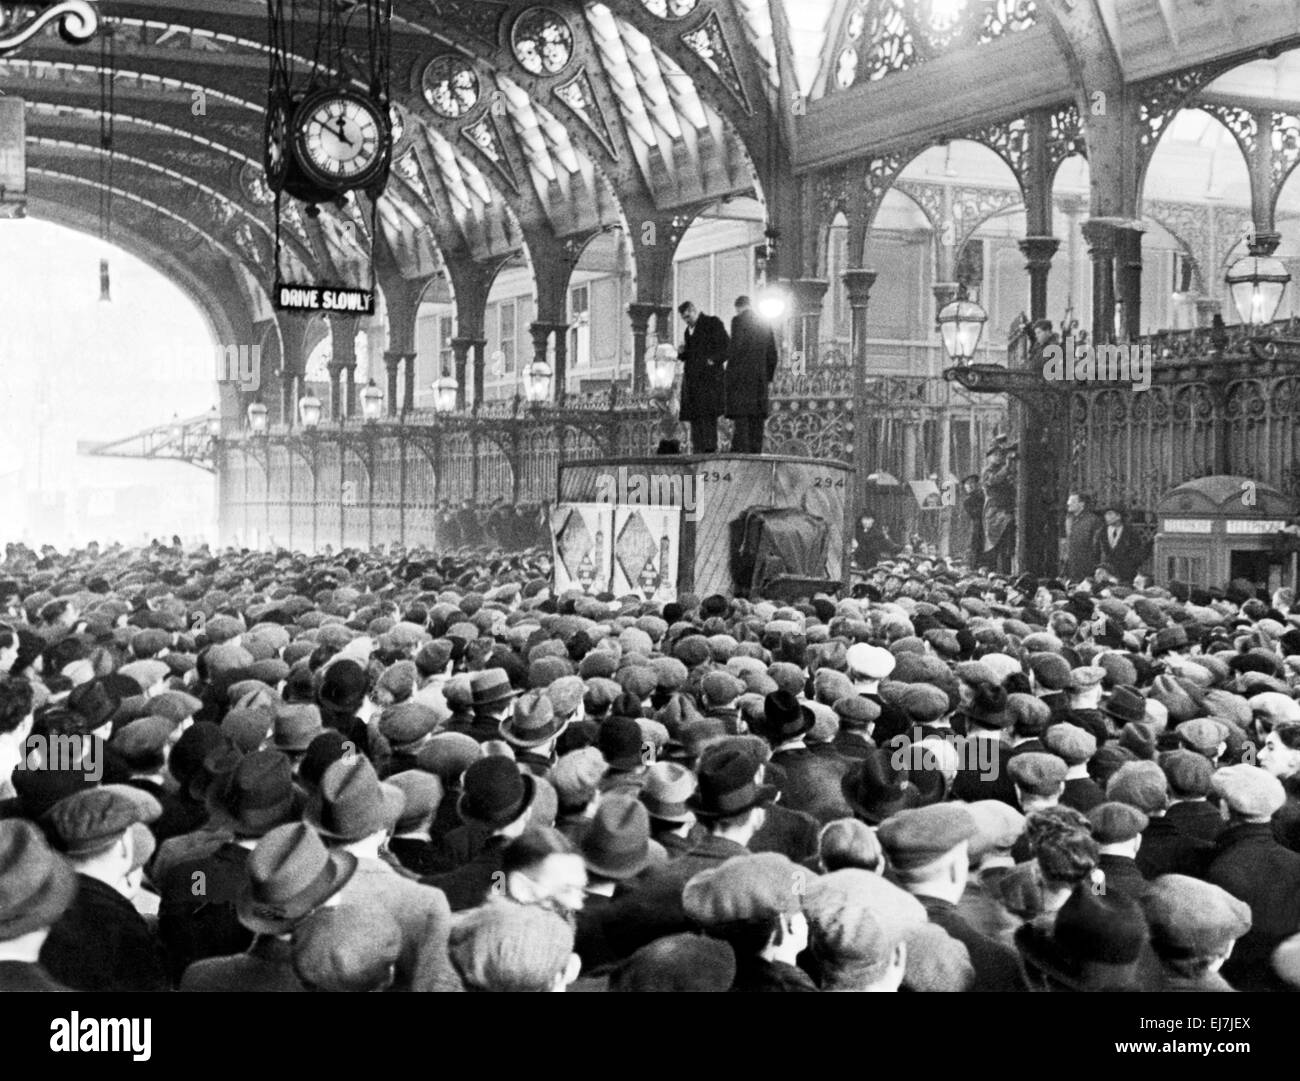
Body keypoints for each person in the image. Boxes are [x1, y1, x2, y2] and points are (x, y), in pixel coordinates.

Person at [724, 295, 779, 454]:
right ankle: (756, 458)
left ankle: (742, 460)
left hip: (742, 382)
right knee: (756, 426)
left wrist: (729, 375)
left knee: (742, 426)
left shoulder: (738, 321)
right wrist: (767, 377)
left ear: (738, 308)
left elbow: (736, 348)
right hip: (759, 383)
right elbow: (773, 355)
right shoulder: (765, 323)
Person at [676, 301, 729, 454]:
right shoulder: (688, 331)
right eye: (684, 318)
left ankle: (709, 452)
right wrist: (680, 353)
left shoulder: (712, 323)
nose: (686, 320)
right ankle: (697, 452)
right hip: (693, 383)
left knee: (708, 417)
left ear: (694, 310)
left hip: (709, 380)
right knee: (695, 418)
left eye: (688, 316)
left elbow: (726, 346)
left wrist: (712, 360)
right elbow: (692, 354)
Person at [980, 437, 1017, 574]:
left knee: (1006, 547)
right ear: (989, 457)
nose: (998, 457)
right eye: (994, 455)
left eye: (1000, 455)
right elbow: (993, 480)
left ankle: (1005, 573)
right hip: (994, 512)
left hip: (1006, 510)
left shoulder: (1006, 469)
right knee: (995, 546)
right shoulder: (987, 471)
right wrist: (1007, 467)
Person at [1095, 505, 1146, 584]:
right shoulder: (1101, 532)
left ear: (1119, 516)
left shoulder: (1131, 533)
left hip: (1125, 575)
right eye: (1106, 514)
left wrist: (1129, 567)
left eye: (1110, 514)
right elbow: (1095, 551)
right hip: (1105, 574)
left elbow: (1137, 554)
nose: (1106, 517)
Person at [1063, 492, 1104, 583]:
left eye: (1072, 501)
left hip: (1086, 565)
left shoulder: (1092, 520)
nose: (1068, 503)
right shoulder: (1070, 519)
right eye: (1069, 500)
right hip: (1071, 564)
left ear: (1082, 504)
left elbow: (1096, 546)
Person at [960, 476, 985, 567]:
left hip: (989, 524)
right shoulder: (967, 501)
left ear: (976, 484)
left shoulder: (984, 495)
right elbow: (975, 514)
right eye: (967, 484)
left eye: (972, 483)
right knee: (977, 547)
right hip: (978, 527)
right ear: (965, 487)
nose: (970, 486)